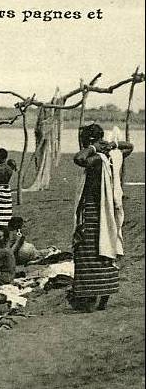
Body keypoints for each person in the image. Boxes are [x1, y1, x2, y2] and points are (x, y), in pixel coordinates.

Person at [70, 124, 133, 312]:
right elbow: (129, 146)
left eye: (83, 140)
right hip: (105, 211)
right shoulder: (112, 156)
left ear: (88, 140)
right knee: (106, 251)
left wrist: (95, 147)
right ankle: (103, 298)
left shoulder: (97, 158)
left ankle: (89, 298)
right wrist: (111, 145)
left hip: (94, 210)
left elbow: (78, 158)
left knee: (87, 252)